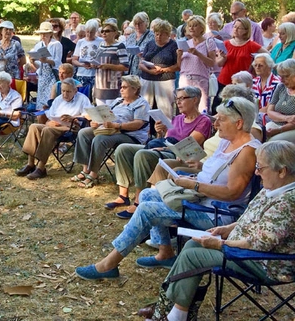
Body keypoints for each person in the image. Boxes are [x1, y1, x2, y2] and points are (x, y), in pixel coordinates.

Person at [74, 97, 260, 279]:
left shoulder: (246, 151)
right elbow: (219, 174)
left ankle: (108, 264)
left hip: (217, 215)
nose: (216, 123)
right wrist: (199, 170)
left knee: (147, 209)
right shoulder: (227, 141)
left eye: (221, 119)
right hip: (201, 199)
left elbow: (232, 192)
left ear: (239, 123)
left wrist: (194, 184)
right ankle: (165, 252)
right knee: (148, 193)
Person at [142, 140, 295, 321]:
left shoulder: (287, 201)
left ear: (282, 171)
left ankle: (171, 312)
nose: (256, 172)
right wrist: (226, 228)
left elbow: (260, 243)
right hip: (247, 251)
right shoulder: (273, 188)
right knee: (192, 244)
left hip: (266, 264)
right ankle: (177, 311)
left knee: (193, 256)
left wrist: (221, 244)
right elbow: (250, 219)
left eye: (260, 168)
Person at [107, 87, 213, 219]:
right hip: (164, 148)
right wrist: (160, 132)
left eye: (182, 98)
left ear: (195, 100)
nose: (178, 102)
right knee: (123, 149)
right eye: (177, 99)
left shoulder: (203, 121)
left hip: (179, 156)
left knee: (143, 155)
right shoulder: (177, 118)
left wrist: (162, 148)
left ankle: (138, 200)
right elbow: (165, 139)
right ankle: (123, 195)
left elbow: (187, 146)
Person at [72, 75, 151, 188]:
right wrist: (97, 122)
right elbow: (105, 115)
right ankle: (86, 169)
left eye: (124, 87)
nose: (121, 89)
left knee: (100, 139)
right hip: (110, 130)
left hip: (130, 135)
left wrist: (117, 125)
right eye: (121, 87)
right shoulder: (118, 101)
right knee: (83, 133)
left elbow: (138, 124)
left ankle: (93, 175)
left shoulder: (141, 104)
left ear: (135, 89)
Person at [16, 79, 92, 180]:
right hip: (55, 126)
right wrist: (49, 122)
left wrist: (73, 118)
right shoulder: (58, 99)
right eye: (63, 91)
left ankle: (41, 168)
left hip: (70, 128)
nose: (65, 94)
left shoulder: (83, 99)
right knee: (34, 126)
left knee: (47, 131)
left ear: (75, 91)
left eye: (68, 91)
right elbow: (50, 115)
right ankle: (30, 164)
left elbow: (89, 115)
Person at [139, 20, 179, 120]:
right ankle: (146, 131)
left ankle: (165, 133)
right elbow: (141, 63)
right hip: (147, 79)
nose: (158, 37)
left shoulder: (173, 45)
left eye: (162, 35)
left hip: (165, 80)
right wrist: (149, 71)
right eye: (157, 34)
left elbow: (178, 66)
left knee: (165, 109)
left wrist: (164, 69)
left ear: (168, 34)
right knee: (144, 107)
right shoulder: (150, 44)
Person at [176, 15, 217, 112]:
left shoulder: (209, 42)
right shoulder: (186, 43)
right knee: (184, 107)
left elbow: (212, 63)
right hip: (184, 78)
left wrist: (198, 54)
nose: (191, 28)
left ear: (201, 28)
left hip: (200, 79)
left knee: (201, 108)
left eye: (194, 25)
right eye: (189, 26)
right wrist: (178, 55)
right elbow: (179, 66)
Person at [217, 17, 266, 94]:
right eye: (235, 27)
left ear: (246, 30)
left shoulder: (251, 45)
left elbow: (267, 55)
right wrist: (223, 57)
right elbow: (219, 64)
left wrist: (255, 64)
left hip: (241, 82)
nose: (235, 29)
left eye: (239, 28)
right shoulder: (225, 43)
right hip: (225, 80)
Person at [26, 21, 63, 110]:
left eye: (45, 34)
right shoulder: (39, 45)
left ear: (50, 34)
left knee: (51, 97)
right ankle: (41, 115)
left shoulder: (56, 44)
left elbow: (58, 62)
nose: (43, 36)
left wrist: (47, 60)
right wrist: (33, 61)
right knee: (41, 99)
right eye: (41, 34)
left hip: (52, 75)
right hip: (42, 76)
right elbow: (39, 65)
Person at [92, 21, 128, 105]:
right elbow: (97, 60)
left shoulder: (120, 46)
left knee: (111, 114)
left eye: (107, 31)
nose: (104, 33)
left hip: (113, 86)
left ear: (115, 33)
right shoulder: (101, 45)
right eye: (102, 31)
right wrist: (93, 64)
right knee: (101, 114)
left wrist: (108, 66)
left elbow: (125, 66)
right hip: (99, 85)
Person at [0, 21, 26, 87]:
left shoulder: (16, 44)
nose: (8, 31)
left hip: (12, 78)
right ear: (1, 31)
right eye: (6, 29)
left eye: (10, 30)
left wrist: (13, 66)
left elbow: (23, 61)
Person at [265, 58, 295, 141]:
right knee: (257, 134)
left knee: (273, 142)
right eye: (280, 76)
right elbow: (270, 111)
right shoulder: (281, 86)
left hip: (291, 129)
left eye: (285, 76)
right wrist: (286, 118)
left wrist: (279, 130)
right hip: (275, 124)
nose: (281, 80)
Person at [71, 19, 101, 88]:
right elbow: (74, 60)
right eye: (87, 32)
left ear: (96, 31)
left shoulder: (101, 41)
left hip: (95, 74)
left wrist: (96, 65)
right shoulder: (80, 42)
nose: (89, 34)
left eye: (92, 32)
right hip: (82, 74)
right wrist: (82, 64)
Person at [251, 53, 280, 119]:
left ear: (269, 67)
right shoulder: (254, 82)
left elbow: (269, 108)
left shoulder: (277, 83)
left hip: (269, 117)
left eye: (260, 65)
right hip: (255, 115)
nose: (257, 67)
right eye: (255, 65)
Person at [126, 11, 154, 76]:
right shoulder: (131, 36)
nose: (137, 26)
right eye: (135, 23)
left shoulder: (152, 36)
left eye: (140, 23)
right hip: (130, 70)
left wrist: (144, 54)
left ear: (146, 23)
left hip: (143, 70)